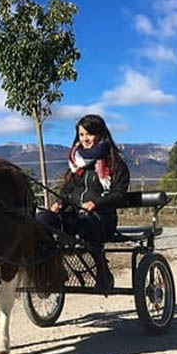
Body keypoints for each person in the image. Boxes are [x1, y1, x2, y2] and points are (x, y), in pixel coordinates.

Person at [38, 114, 130, 292]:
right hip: (74, 215)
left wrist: (96, 203)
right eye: (81, 135)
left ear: (100, 134)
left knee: (86, 223)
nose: (85, 139)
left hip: (102, 218)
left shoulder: (115, 164)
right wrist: (59, 204)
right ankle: (56, 270)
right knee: (42, 220)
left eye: (89, 134)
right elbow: (68, 191)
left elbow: (119, 196)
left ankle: (103, 271)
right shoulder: (76, 164)